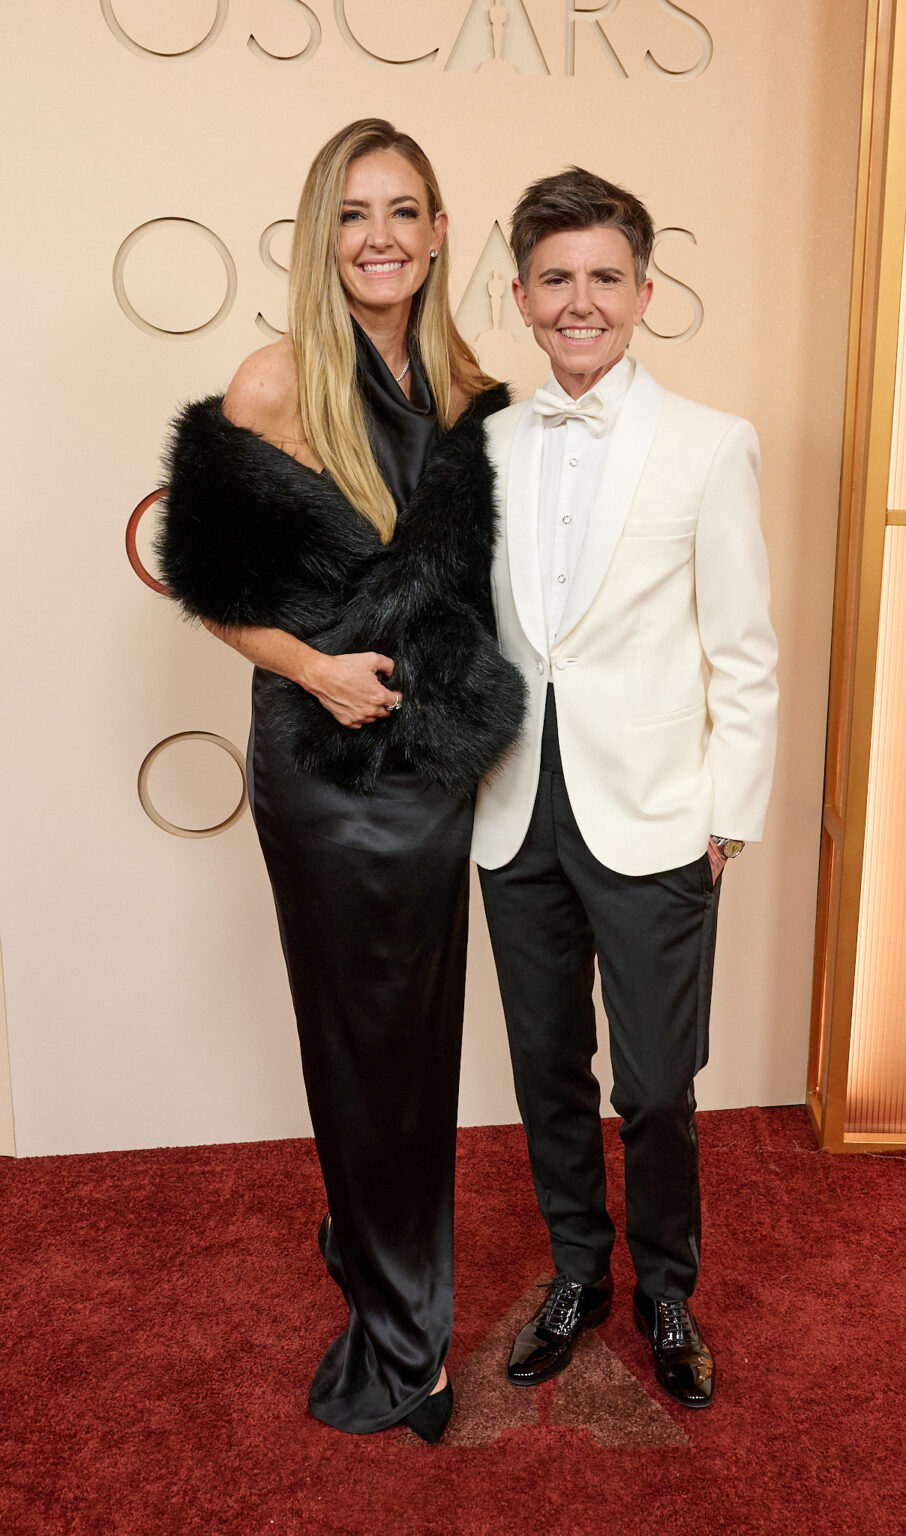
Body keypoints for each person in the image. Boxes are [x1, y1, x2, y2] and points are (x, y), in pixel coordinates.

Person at [156, 119, 523, 1442]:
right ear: (325, 237)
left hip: (422, 764)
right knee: (351, 1037)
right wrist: (315, 672)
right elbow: (209, 593)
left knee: (413, 1045)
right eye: (354, 213)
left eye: (403, 209)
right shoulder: (270, 383)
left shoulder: (475, 396)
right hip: (317, 761)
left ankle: (377, 1255)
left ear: (435, 232)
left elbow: (494, 595)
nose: (378, 235)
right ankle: (404, 1332)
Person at [473, 168, 778, 1409]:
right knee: (547, 1068)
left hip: (656, 811)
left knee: (655, 1081)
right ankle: (576, 1273)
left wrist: (727, 818)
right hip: (512, 808)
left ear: (645, 292)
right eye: (558, 279)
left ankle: (665, 1288)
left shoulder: (712, 444)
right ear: (523, 298)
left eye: (606, 276)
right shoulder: (482, 446)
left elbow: (743, 648)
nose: (582, 300)